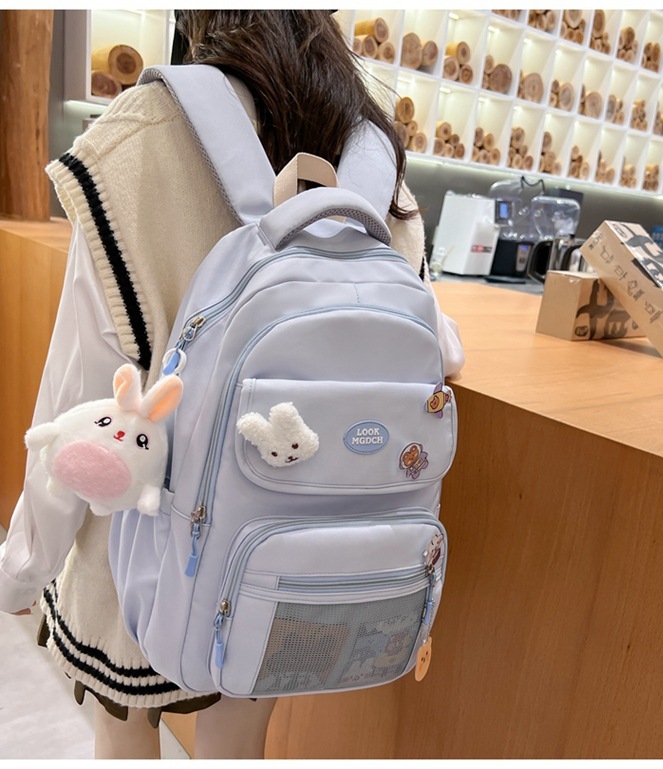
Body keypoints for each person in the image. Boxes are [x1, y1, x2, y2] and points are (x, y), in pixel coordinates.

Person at [0, 10, 464, 760]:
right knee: (240, 738)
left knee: (125, 740)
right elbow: (432, 341)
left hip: (138, 554)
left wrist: (25, 564)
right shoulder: (374, 155)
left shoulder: (142, 131)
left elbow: (80, 402)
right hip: (287, 558)